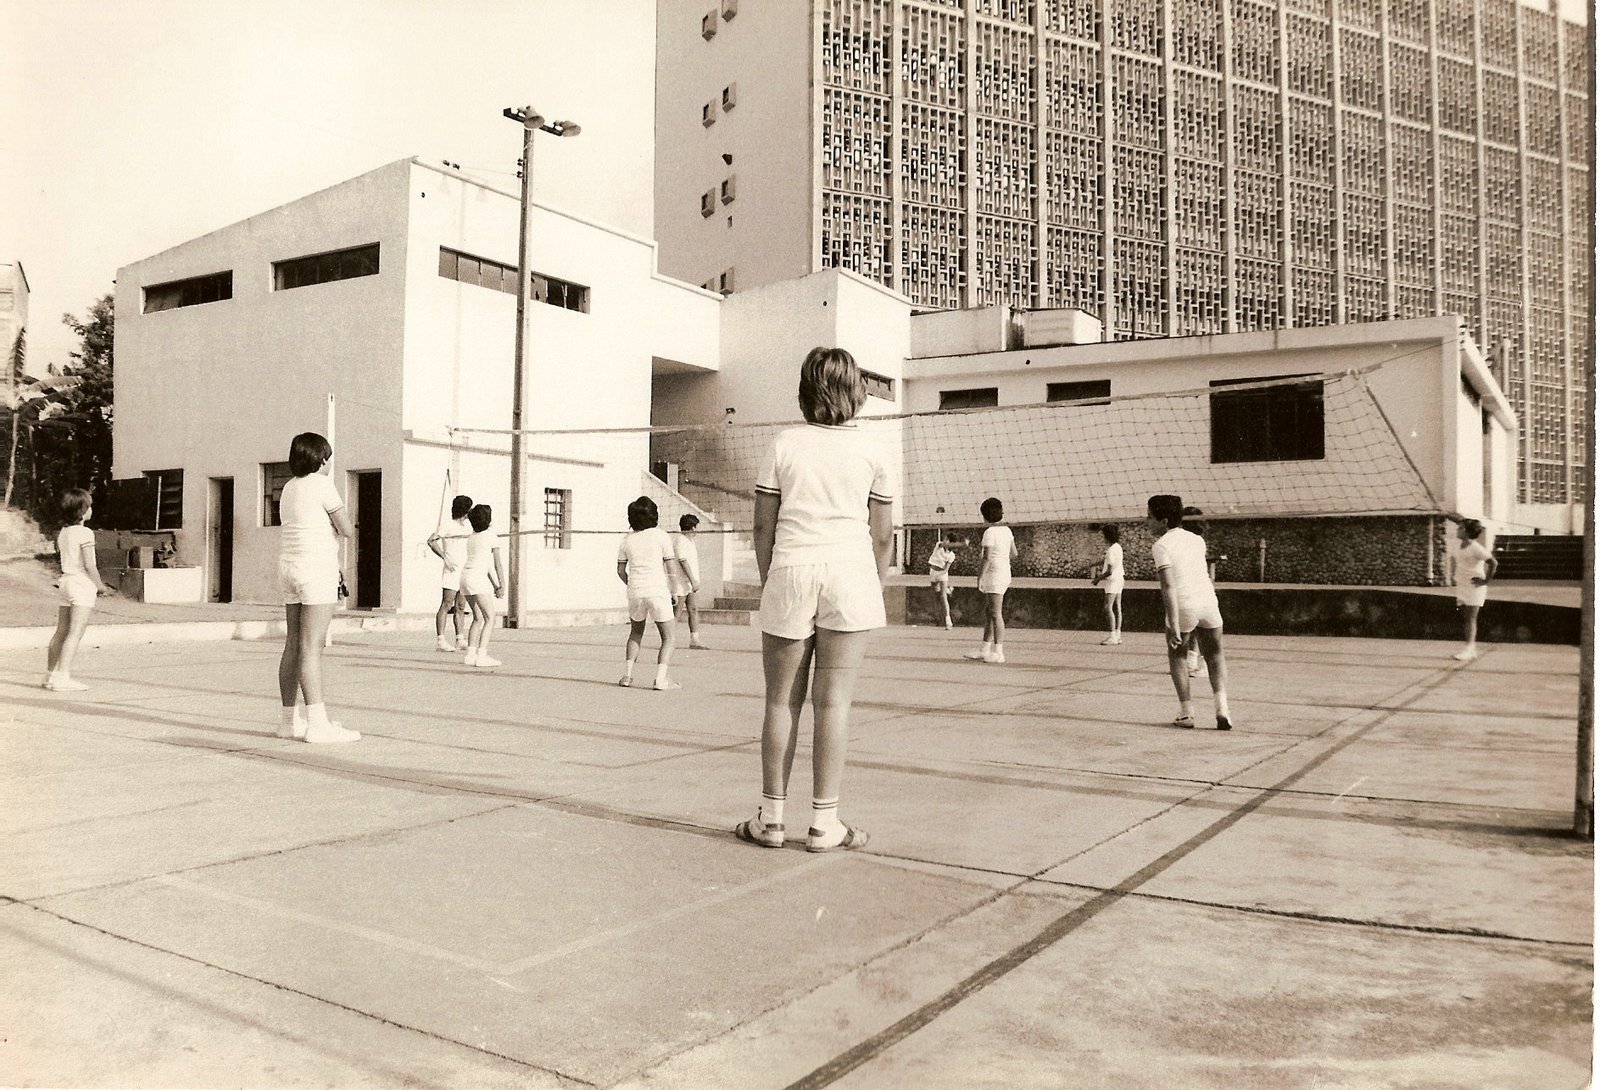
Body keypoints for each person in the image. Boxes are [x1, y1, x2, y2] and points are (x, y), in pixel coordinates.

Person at [734, 346, 893, 852]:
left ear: (806, 390)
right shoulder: (874, 449)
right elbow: (883, 535)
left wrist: (772, 580)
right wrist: (873, 588)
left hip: (792, 569)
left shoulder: (784, 443)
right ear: (857, 391)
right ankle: (825, 825)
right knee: (834, 704)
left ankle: (771, 820)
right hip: (851, 573)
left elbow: (763, 526)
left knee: (781, 701)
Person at [276, 432, 359, 743]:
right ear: (322, 459)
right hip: (316, 569)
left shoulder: (288, 488)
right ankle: (318, 725)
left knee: (293, 643)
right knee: (312, 647)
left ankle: (289, 722)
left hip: (289, 567)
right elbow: (347, 529)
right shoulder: (322, 484)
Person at [1148, 494, 1232, 731]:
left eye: (1150, 517)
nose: (1147, 522)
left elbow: (1168, 586)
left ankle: (1187, 713)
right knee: (1215, 654)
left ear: (1164, 521)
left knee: (1177, 656)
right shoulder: (1197, 540)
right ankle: (1222, 709)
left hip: (1184, 604)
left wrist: (1174, 623)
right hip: (1208, 601)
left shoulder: (1161, 545)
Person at [43, 488, 113, 692]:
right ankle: (63, 677)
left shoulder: (64, 533)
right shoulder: (85, 533)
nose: (91, 509)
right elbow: (90, 565)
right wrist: (100, 586)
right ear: (82, 511)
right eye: (89, 506)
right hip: (81, 585)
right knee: (75, 632)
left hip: (66, 582)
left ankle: (50, 676)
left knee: (61, 631)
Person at [617, 495, 683, 690]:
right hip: (657, 591)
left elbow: (620, 571)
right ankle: (661, 680)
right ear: (654, 515)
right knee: (668, 637)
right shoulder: (661, 536)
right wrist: (674, 591)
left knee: (636, 633)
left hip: (635, 592)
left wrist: (632, 584)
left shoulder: (626, 540)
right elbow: (671, 568)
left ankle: (627, 676)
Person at [964, 497, 1016, 663]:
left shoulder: (990, 532)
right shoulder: (1006, 530)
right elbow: (1014, 553)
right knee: (990, 612)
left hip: (995, 575)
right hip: (1004, 573)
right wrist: (1001, 559)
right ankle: (984, 649)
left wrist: (980, 577)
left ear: (985, 515)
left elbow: (986, 558)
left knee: (995, 613)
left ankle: (999, 653)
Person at [460, 504, 506, 668]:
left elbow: (484, 565)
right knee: (490, 618)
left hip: (465, 577)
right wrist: (502, 585)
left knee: (477, 617)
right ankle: (482, 656)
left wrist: (495, 585)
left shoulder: (472, 538)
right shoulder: (491, 536)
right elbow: (497, 565)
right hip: (477, 579)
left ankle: (470, 655)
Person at [426, 494, 474, 653]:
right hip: (451, 570)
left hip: (464, 570)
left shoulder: (468, 527)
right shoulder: (447, 525)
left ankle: (460, 639)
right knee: (447, 604)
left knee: (461, 605)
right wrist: (445, 558)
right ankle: (440, 640)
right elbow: (431, 541)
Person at [1448, 518, 1497, 662]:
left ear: (1468, 532)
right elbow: (1456, 560)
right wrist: (1453, 575)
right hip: (1462, 585)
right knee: (1467, 618)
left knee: (1471, 618)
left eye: (1461, 528)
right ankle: (1471, 648)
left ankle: (1469, 649)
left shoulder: (1476, 547)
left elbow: (1493, 562)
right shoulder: (1458, 545)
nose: (1458, 530)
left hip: (1475, 586)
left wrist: (1485, 581)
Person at [671, 513, 710, 650]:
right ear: (692, 527)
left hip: (690, 583)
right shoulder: (680, 541)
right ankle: (668, 640)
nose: (697, 530)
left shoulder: (690, 541)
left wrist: (694, 581)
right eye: (696, 527)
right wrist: (692, 580)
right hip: (680, 583)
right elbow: (683, 562)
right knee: (677, 612)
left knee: (693, 609)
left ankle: (694, 640)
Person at [1181, 506, 1209, 676]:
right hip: (1192, 586)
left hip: (1196, 587)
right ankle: (1191, 660)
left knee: (1199, 628)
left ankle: (1204, 665)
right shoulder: (1191, 540)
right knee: (1191, 627)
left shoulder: (1193, 540)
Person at [1090, 523, 1123, 645]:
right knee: (1117, 607)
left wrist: (1097, 579)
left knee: (1107, 607)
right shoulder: (1117, 547)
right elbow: (1107, 561)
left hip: (1112, 581)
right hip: (1120, 579)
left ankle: (1112, 637)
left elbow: (1109, 571)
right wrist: (1093, 564)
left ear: (1107, 536)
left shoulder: (1110, 550)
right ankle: (1118, 635)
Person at [927, 533, 957, 629]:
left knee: (943, 597)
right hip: (933, 572)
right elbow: (942, 544)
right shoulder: (938, 545)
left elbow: (946, 569)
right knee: (935, 591)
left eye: (947, 539)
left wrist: (941, 574)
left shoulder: (951, 555)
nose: (944, 540)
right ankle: (948, 589)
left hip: (943, 574)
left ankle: (948, 621)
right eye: (945, 539)